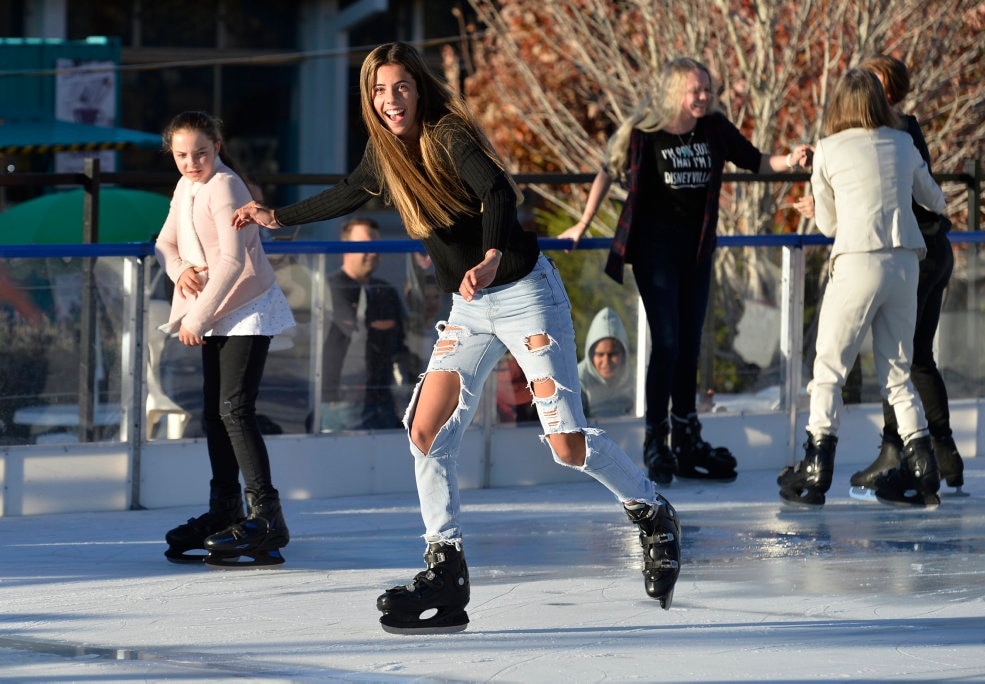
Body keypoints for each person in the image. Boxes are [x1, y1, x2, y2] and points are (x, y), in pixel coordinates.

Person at [232, 42, 681, 632]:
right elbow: (350, 191)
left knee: (566, 445)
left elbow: (498, 192)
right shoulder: (385, 152)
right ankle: (446, 567)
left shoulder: (447, 135)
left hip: (523, 294)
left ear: (419, 88)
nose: (391, 100)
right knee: (425, 430)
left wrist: (493, 256)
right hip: (469, 307)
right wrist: (279, 217)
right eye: (379, 90)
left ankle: (651, 511)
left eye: (401, 87)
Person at [560, 57, 812, 485]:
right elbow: (607, 168)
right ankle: (656, 438)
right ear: (675, 90)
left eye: (707, 90)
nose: (703, 98)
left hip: (697, 253)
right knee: (669, 343)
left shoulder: (714, 129)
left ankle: (687, 435)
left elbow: (757, 161)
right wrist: (584, 222)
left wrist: (792, 158)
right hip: (655, 253)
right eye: (695, 91)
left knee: (691, 344)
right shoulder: (645, 132)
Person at [777, 69, 946, 508]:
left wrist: (818, 207)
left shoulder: (829, 151)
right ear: (879, 101)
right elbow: (935, 199)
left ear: (839, 106)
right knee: (898, 372)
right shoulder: (903, 143)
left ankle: (816, 469)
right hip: (905, 260)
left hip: (856, 261)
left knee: (829, 370)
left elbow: (831, 224)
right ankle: (924, 470)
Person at [156, 111, 296, 567]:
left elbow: (235, 262)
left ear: (217, 146)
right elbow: (165, 244)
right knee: (215, 414)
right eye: (181, 155)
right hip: (216, 306)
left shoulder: (226, 185)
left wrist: (196, 316)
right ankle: (225, 511)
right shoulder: (186, 186)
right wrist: (181, 273)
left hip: (246, 308)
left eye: (200, 152)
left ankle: (266, 519)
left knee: (235, 410)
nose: (191, 161)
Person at [851, 54, 966, 497]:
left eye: (873, 81)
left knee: (896, 355)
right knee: (916, 356)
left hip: (916, 253)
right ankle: (943, 451)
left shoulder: (889, 133)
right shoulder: (905, 129)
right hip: (933, 249)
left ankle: (896, 451)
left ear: (889, 88)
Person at [321, 217, 405, 430]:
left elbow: (400, 337)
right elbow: (357, 330)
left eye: (377, 245)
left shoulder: (385, 289)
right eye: (366, 245)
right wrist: (375, 326)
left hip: (382, 395)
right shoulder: (331, 286)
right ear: (346, 249)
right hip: (342, 398)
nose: (374, 252)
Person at [578, 307, 635, 418]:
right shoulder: (577, 380)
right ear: (590, 354)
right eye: (600, 354)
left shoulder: (635, 380)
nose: (606, 361)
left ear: (624, 354)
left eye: (613, 354)